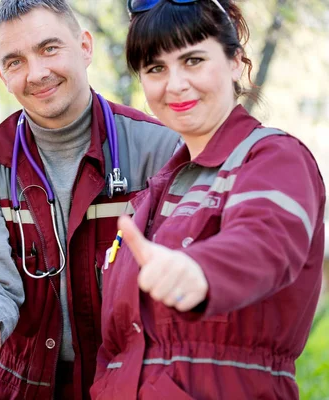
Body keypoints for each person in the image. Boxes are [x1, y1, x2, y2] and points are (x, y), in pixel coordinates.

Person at [92, 0, 326, 399]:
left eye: (193, 60)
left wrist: (198, 271)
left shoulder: (272, 157)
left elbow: (264, 241)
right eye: (155, 68)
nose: (175, 84)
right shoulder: (152, 193)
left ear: (236, 62)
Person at [0, 0, 180, 398]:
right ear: (1, 75)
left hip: (136, 383)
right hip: (29, 387)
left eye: (49, 48)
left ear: (85, 47)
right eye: (15, 61)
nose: (37, 73)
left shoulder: (159, 148)